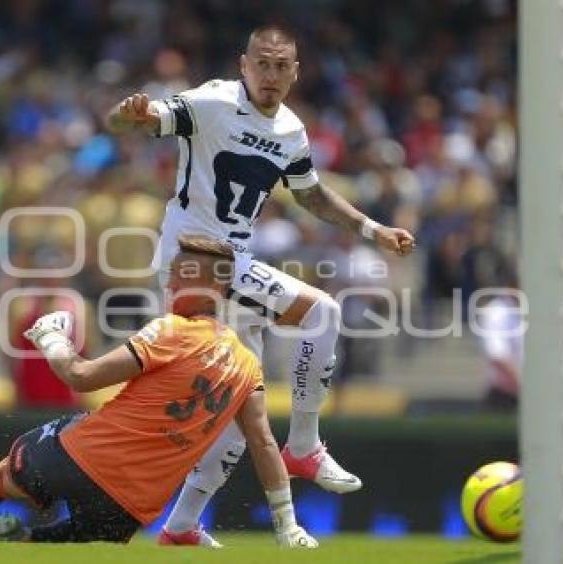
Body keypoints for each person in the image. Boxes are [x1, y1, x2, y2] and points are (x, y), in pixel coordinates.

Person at [106, 24, 415, 545]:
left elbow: (311, 197)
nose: (271, 74)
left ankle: (180, 527)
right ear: (243, 65)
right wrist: (129, 113)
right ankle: (303, 445)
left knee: (234, 410)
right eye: (262, 64)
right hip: (196, 262)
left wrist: (373, 229)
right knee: (323, 314)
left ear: (295, 73)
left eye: (281, 66)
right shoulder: (211, 102)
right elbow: (138, 120)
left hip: (234, 262)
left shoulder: (291, 130)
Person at [0, 235, 318, 549]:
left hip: (81, 457)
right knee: (85, 535)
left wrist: (50, 339)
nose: (171, 285)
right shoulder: (246, 364)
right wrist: (287, 525)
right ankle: (13, 538)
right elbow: (261, 443)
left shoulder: (170, 330)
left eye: (179, 278)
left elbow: (81, 377)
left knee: (2, 479)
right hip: (133, 504)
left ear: (203, 287)